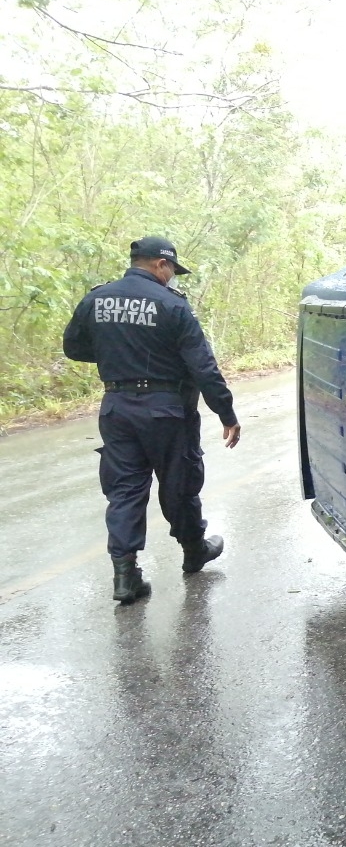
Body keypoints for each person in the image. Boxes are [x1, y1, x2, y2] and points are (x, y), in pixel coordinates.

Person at [63, 236, 242, 604]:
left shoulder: (96, 299)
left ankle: (125, 576)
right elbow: (203, 366)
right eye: (173, 270)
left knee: (125, 489)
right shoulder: (172, 305)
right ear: (161, 265)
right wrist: (226, 412)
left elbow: (74, 348)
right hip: (167, 409)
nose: (173, 277)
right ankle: (194, 551)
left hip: (117, 406)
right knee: (179, 482)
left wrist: (119, 354)